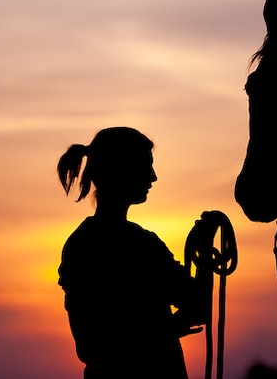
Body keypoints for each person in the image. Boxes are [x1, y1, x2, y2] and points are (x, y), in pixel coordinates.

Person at [56, 127, 204, 379]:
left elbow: (198, 302)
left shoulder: (132, 243)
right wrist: (167, 330)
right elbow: (93, 344)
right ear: (120, 169)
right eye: (145, 165)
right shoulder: (120, 246)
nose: (153, 176)